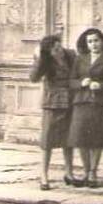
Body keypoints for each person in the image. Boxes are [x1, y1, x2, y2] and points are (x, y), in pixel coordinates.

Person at [68, 28, 103, 187]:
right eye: (90, 41)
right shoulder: (79, 59)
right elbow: (71, 81)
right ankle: (85, 171)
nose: (93, 44)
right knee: (80, 139)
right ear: (86, 44)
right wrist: (80, 83)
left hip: (99, 103)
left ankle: (93, 172)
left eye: (96, 40)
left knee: (96, 139)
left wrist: (101, 85)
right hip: (81, 103)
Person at [29, 33, 76, 189]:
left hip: (70, 100)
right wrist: (39, 58)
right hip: (52, 102)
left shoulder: (70, 55)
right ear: (48, 51)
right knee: (47, 140)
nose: (59, 51)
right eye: (55, 49)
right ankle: (44, 175)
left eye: (59, 47)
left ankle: (69, 173)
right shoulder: (45, 60)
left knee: (69, 140)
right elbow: (33, 78)